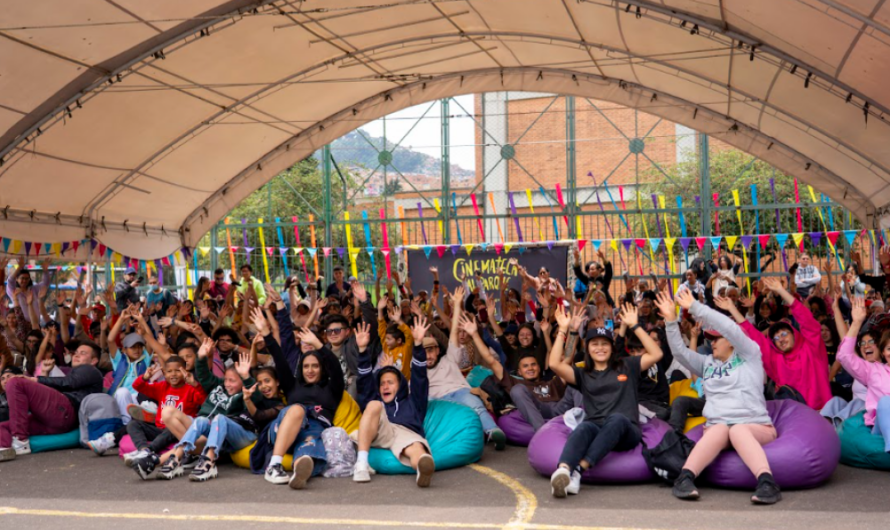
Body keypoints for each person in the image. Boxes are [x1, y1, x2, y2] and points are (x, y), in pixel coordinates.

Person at [658, 290, 782, 505]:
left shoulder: (749, 354)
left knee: (737, 429)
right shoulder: (707, 363)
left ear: (733, 342)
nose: (712, 342)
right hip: (718, 426)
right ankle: (685, 478)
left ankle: (767, 482)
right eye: (710, 339)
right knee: (721, 428)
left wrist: (695, 307)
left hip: (754, 425)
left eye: (717, 338)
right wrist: (670, 321)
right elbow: (680, 353)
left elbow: (730, 328)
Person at [548, 304, 663, 498]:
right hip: (597, 427)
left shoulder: (628, 365)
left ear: (611, 348)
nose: (600, 348)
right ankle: (563, 471)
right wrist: (563, 330)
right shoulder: (583, 374)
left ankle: (578, 471)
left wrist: (635, 326)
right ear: (588, 348)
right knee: (584, 427)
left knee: (617, 419)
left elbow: (656, 354)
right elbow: (554, 364)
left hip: (626, 429)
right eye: (595, 344)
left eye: (605, 344)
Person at [253, 304, 343, 489]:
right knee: (297, 409)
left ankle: (300, 470)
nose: (310, 370)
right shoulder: (292, 385)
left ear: (322, 368)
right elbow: (279, 357)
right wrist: (266, 333)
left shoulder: (332, 388)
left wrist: (319, 345)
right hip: (285, 423)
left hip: (313, 430)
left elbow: (334, 365)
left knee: (309, 447)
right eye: (306, 366)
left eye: (315, 366)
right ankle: (274, 465)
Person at [724, 277, 832, 409]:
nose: (781, 339)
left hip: (822, 415)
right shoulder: (775, 359)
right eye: (776, 338)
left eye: (784, 334)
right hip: (793, 419)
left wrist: (781, 290)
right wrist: (732, 309)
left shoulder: (812, 349)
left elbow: (806, 318)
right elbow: (754, 336)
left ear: (794, 334)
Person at [155, 342, 256, 481]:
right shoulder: (220, 385)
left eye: (232, 381)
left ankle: (209, 461)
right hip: (209, 427)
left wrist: (246, 377)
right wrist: (201, 357)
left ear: (242, 381)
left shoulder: (246, 392)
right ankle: (177, 458)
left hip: (240, 432)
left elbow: (256, 398)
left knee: (219, 418)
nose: (227, 384)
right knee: (200, 420)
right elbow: (203, 375)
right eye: (226, 379)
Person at [353, 317, 435, 487]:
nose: (385, 386)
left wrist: (418, 345)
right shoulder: (377, 401)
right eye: (382, 383)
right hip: (380, 430)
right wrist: (362, 350)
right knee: (373, 405)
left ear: (401, 386)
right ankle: (361, 465)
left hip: (405, 432)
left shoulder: (413, 402)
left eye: (390, 382)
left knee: (417, 448)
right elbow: (365, 382)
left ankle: (422, 468)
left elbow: (419, 377)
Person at [426, 288, 506, 449]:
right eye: (424, 352)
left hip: (461, 391)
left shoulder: (449, 357)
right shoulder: (418, 369)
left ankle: (493, 431)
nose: (428, 355)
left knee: (476, 404)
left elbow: (453, 331)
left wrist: (456, 306)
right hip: (438, 400)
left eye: (431, 350)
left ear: (437, 350)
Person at [483, 305, 584, 432]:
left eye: (533, 364)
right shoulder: (516, 382)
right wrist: (475, 333)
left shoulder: (552, 382)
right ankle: (542, 432)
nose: (530, 368)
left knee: (577, 382)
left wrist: (573, 331)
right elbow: (491, 360)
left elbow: (568, 359)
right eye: (525, 366)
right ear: (519, 372)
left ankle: (584, 425)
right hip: (538, 409)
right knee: (517, 389)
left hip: (559, 408)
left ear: (539, 367)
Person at [0, 341, 104, 461]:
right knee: (3, 426)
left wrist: (35, 379)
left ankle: (20, 440)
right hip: (54, 419)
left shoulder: (90, 370)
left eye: (83, 353)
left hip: (67, 411)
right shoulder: (74, 373)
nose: (76, 355)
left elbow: (68, 383)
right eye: (75, 353)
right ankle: (4, 447)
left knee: (15, 382)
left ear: (93, 361)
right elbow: (49, 393)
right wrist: (44, 374)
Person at [127, 356, 208, 478]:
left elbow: (203, 401)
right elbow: (138, 387)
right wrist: (145, 378)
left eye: (177, 370)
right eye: (169, 371)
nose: (173, 374)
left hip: (176, 431)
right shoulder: (161, 386)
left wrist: (195, 385)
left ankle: (150, 450)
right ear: (164, 373)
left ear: (185, 371)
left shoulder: (189, 388)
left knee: (169, 428)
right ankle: (143, 450)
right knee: (133, 424)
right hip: (159, 428)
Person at [838, 297, 890, 451]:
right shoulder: (873, 369)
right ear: (883, 352)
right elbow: (844, 356)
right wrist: (856, 322)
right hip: (881, 426)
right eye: (889, 348)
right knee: (886, 402)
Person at [6, 258, 52, 326]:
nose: (24, 280)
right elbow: (10, 280)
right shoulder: (14, 291)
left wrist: (45, 270)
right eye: (22, 278)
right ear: (17, 279)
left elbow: (46, 283)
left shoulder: (34, 290)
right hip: (20, 325)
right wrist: (19, 267)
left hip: (35, 324)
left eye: (26, 278)